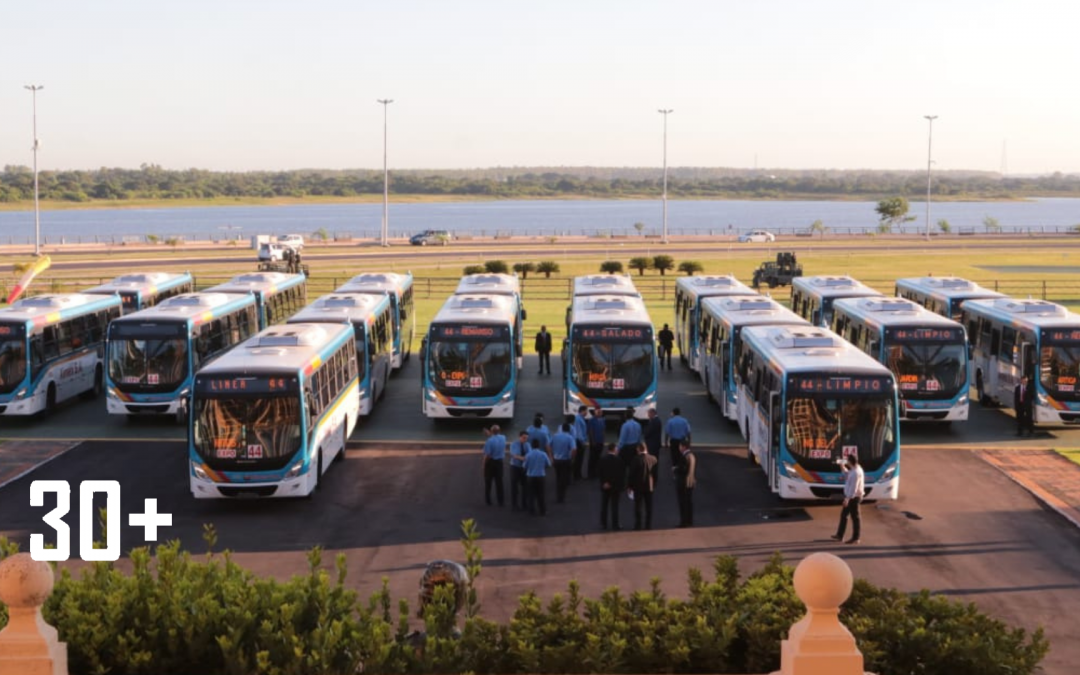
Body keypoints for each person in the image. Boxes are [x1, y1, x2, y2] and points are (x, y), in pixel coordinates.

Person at [831, 455, 864, 544]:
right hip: (851, 496)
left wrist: (847, 499)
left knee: (855, 517)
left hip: (854, 497)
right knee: (844, 516)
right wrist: (842, 466)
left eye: (847, 461)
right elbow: (847, 474)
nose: (846, 462)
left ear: (850, 462)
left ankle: (856, 538)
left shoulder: (856, 473)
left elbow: (853, 488)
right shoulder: (854, 470)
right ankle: (840, 535)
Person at [627, 442, 657, 530]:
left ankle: (638, 525)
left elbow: (631, 474)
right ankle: (648, 525)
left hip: (638, 486)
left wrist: (629, 486)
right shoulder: (653, 459)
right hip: (649, 486)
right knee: (649, 507)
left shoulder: (636, 459)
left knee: (638, 506)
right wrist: (653, 483)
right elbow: (655, 474)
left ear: (638, 449)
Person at [598, 443, 625, 530]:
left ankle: (603, 524)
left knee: (604, 505)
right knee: (614, 506)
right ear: (614, 450)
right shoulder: (619, 460)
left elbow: (600, 473)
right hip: (615, 487)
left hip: (605, 486)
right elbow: (621, 475)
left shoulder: (602, 459)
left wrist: (604, 483)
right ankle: (615, 524)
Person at [524, 438, 553, 516]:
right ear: (539, 445)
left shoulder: (528, 455)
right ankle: (542, 511)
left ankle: (531, 511)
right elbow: (548, 464)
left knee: (531, 494)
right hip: (541, 476)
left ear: (532, 446)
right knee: (541, 494)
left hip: (530, 476)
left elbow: (525, 466)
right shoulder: (543, 454)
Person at [550, 422, 577, 503]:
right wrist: (572, 458)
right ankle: (561, 497)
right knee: (563, 479)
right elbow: (574, 449)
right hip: (565, 460)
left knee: (558, 477)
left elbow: (548, 445)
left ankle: (558, 495)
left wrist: (551, 456)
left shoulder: (555, 436)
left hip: (556, 460)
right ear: (569, 429)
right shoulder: (570, 438)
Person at [672, 439, 696, 527]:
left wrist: (675, 469)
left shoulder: (684, 456)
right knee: (689, 502)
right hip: (691, 482)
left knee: (683, 502)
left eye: (680, 446)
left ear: (683, 446)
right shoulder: (692, 455)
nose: (679, 448)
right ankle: (689, 521)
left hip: (683, 482)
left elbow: (683, 469)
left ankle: (684, 522)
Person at [481, 425, 506, 507]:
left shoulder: (489, 441)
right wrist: (490, 434)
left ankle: (488, 501)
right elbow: (496, 437)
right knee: (499, 483)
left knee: (488, 482)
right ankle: (501, 501)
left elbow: (487, 455)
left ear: (491, 431)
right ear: (499, 431)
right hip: (499, 463)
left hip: (491, 463)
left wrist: (484, 465)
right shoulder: (503, 438)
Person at [509, 429, 531, 511]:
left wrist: (525, 459)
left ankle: (524, 504)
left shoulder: (527, 445)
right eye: (524, 438)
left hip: (524, 468)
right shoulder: (514, 444)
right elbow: (515, 455)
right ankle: (514, 505)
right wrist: (524, 458)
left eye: (526, 438)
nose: (525, 439)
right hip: (515, 467)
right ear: (519, 437)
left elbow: (530, 453)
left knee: (525, 486)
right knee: (514, 487)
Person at [642, 408, 663, 487]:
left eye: (648, 414)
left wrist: (645, 432)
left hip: (652, 445)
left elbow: (648, 432)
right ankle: (654, 477)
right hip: (655, 444)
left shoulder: (654, 422)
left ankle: (652, 477)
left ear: (652, 413)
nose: (648, 416)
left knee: (651, 462)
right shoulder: (657, 421)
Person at [586, 407, 606, 479]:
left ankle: (596, 472)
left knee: (598, 458)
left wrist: (603, 440)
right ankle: (590, 474)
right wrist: (593, 441)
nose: (600, 413)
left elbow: (603, 430)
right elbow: (590, 432)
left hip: (600, 442)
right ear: (595, 412)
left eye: (601, 412)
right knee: (592, 458)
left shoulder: (603, 420)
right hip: (594, 442)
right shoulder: (591, 420)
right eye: (598, 412)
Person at [572, 406, 589, 480]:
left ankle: (577, 474)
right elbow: (579, 432)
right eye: (586, 411)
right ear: (582, 411)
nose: (586, 413)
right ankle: (577, 475)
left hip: (580, 441)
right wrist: (583, 442)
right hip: (579, 442)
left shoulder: (580, 418)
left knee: (579, 459)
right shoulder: (578, 419)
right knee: (579, 459)